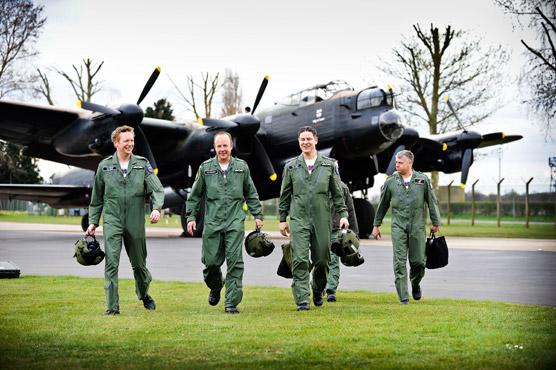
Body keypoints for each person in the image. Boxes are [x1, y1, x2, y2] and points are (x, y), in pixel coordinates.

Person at [87, 125, 164, 316]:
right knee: (111, 262)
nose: (130, 144)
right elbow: (96, 198)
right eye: (126, 141)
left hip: (135, 220)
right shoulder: (104, 166)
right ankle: (112, 306)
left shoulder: (142, 164)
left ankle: (144, 293)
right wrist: (93, 221)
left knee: (139, 265)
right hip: (112, 220)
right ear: (116, 143)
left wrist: (156, 208)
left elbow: (157, 189)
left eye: (132, 140)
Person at [186, 131, 263, 314]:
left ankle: (231, 303)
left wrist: (258, 214)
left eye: (225, 146)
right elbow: (195, 195)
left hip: (235, 222)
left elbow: (251, 193)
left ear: (231, 146)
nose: (222, 149)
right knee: (211, 263)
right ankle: (215, 286)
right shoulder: (206, 168)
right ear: (215, 148)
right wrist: (190, 217)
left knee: (235, 262)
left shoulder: (241, 167)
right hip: (212, 223)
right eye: (219, 146)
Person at [279, 126, 349, 311]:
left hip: (322, 220)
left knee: (322, 260)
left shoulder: (328, 165)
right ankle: (302, 299)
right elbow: (285, 195)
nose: (305, 142)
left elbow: (337, 193)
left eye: (308, 139)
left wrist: (343, 215)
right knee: (300, 259)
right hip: (299, 220)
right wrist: (282, 219)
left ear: (316, 140)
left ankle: (318, 289)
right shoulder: (291, 166)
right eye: (302, 139)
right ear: (299, 142)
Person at [372, 150, 440, 304]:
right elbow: (382, 205)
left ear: (410, 163)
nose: (396, 165)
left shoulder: (422, 180)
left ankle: (415, 283)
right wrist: (376, 225)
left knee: (419, 262)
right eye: (396, 162)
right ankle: (403, 297)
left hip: (417, 226)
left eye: (400, 162)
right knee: (399, 262)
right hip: (398, 226)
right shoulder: (390, 182)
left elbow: (432, 202)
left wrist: (435, 222)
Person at [325, 180, 359, 302]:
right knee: (319, 259)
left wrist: (355, 233)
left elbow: (350, 210)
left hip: (336, 230)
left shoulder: (343, 188)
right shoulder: (317, 185)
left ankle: (330, 290)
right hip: (320, 229)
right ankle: (318, 286)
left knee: (333, 260)